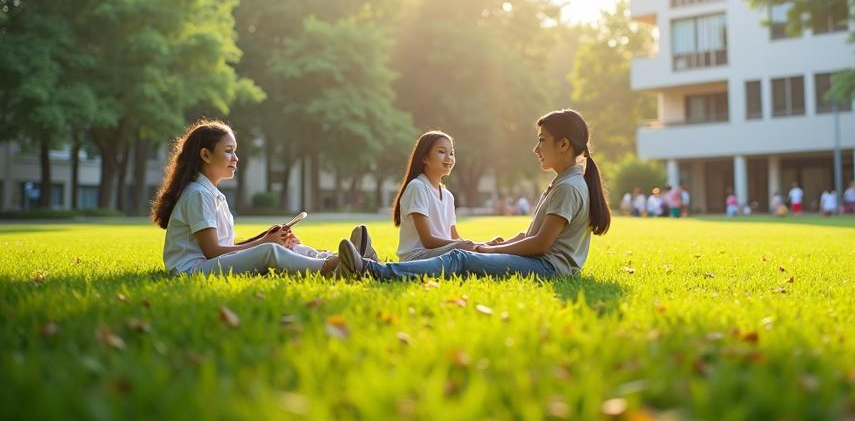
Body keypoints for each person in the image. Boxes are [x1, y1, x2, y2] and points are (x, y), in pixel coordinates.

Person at [334, 109, 612, 280]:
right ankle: (365, 263)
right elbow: (533, 238)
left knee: (460, 259)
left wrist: (489, 250)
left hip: (548, 268)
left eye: (542, 140)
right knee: (464, 254)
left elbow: (540, 245)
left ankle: (371, 270)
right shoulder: (564, 183)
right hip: (545, 263)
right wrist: (499, 245)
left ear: (563, 145)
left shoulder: (568, 186)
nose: (535, 148)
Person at [152, 119, 365, 277]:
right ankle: (333, 268)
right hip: (192, 270)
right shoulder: (198, 194)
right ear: (206, 155)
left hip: (210, 263)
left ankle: (340, 258)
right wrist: (263, 242)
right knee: (269, 250)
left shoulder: (212, 194)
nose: (235, 158)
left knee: (282, 246)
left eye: (235, 151)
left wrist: (265, 236)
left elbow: (224, 248)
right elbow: (212, 251)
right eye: (228, 151)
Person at [392, 131, 477, 261]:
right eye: (442, 152)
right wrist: (464, 246)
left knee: (477, 251)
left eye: (452, 153)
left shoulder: (448, 196)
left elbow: (455, 237)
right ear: (424, 157)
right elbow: (428, 241)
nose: (448, 158)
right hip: (417, 258)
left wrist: (479, 245)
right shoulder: (417, 187)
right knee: (468, 253)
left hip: (442, 254)